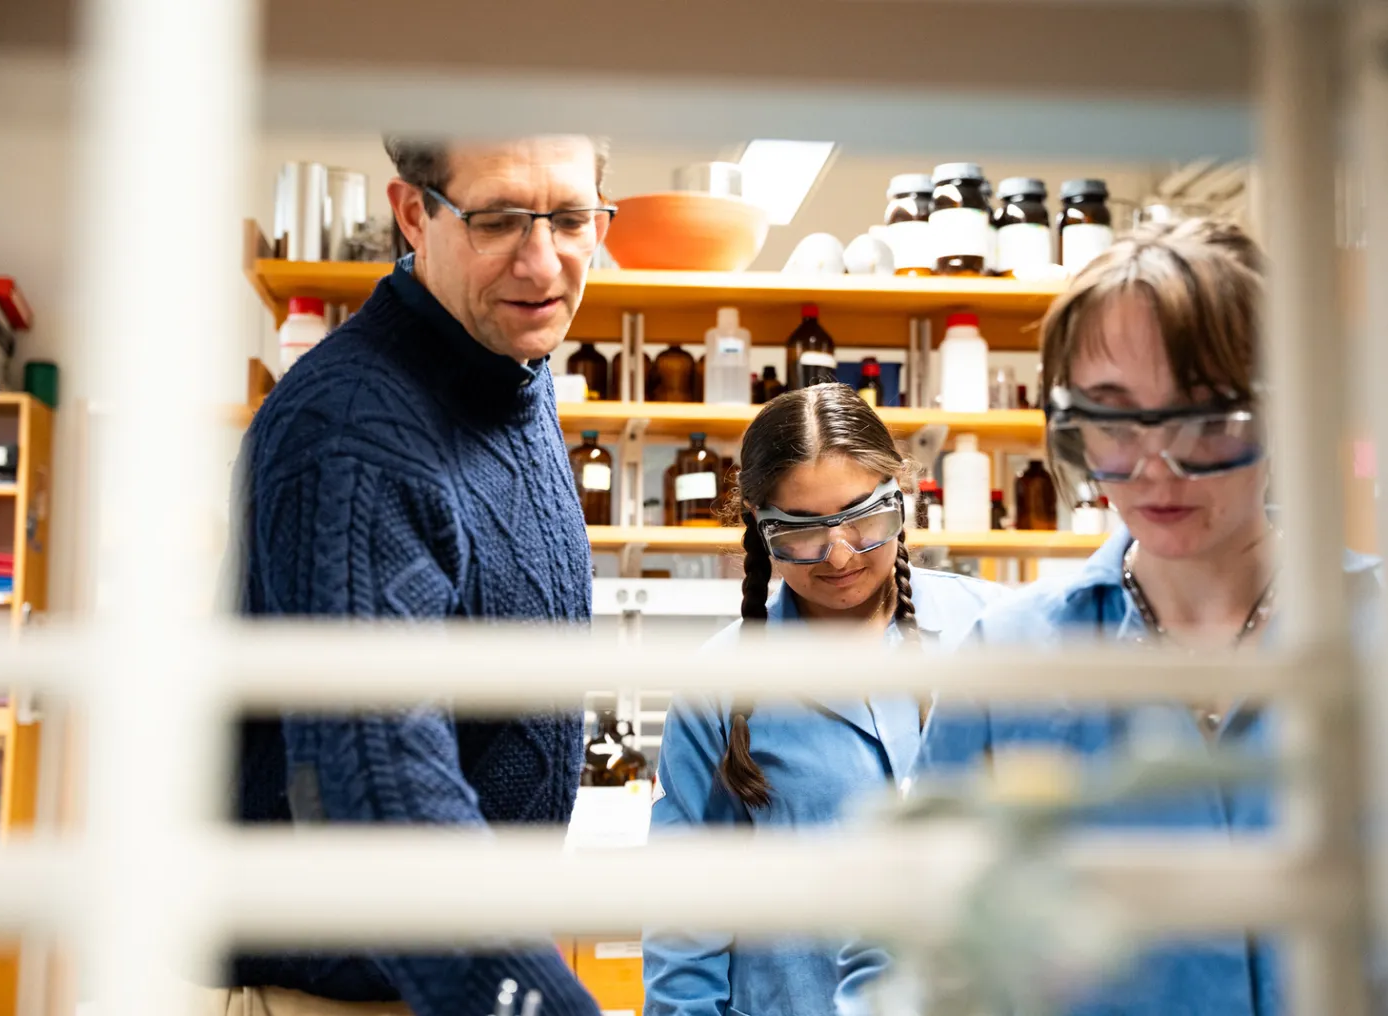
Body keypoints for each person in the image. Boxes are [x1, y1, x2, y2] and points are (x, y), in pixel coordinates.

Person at [908, 218, 1381, 1016]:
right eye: (1114, 419)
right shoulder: (1010, 658)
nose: (1156, 467)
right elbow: (921, 940)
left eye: (1204, 417)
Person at [221, 136, 617, 1016]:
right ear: (413, 215)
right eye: (501, 219)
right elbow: (379, 783)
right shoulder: (353, 433)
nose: (543, 260)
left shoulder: (511, 373)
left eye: (570, 217)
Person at [641, 383, 1003, 1016]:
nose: (838, 555)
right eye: (801, 532)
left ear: (901, 495)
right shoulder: (721, 687)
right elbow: (685, 919)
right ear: (758, 524)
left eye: (864, 519)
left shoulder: (998, 635)